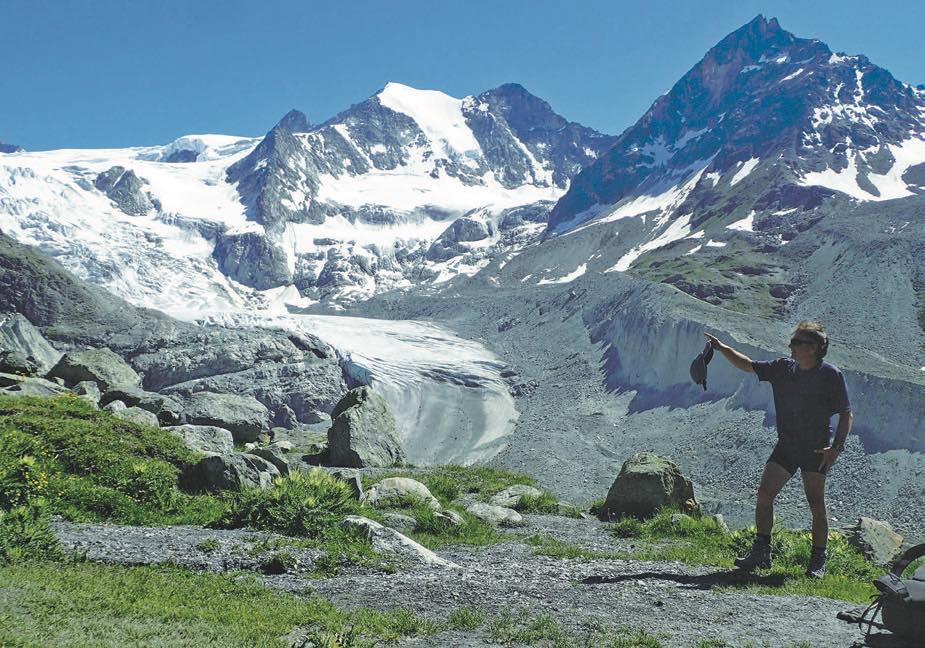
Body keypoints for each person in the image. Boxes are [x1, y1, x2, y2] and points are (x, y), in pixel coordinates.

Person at [704, 320, 853, 578]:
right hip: (787, 445)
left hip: (815, 450)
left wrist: (835, 448)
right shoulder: (784, 368)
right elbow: (748, 365)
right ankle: (762, 553)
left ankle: (817, 561)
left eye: (796, 342)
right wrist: (722, 348)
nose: (790, 346)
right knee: (764, 494)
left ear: (813, 348)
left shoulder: (830, 375)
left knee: (816, 504)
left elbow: (846, 414)